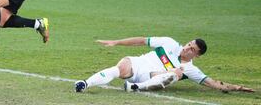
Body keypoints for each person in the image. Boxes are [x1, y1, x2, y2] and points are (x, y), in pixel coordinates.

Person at [74, 36, 254, 93]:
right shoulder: (169, 43)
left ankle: (136, 87)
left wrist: (237, 87)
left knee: (175, 73)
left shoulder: (190, 68)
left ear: (197, 56)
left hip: (152, 77)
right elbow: (142, 41)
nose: (187, 48)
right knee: (120, 67)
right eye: (189, 44)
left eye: (192, 50)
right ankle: (85, 84)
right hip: (139, 63)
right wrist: (116, 42)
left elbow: (213, 83)